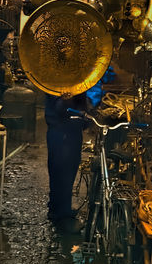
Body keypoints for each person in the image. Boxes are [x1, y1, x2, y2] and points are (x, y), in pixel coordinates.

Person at [43, 67, 115, 231]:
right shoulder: (60, 76)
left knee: (59, 170)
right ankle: (63, 216)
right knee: (64, 171)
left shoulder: (62, 72)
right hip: (63, 128)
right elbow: (60, 106)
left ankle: (56, 209)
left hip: (65, 127)